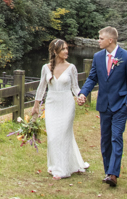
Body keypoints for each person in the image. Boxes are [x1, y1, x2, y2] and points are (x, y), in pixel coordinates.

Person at [77, 26, 127, 187]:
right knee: (105, 141)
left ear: (110, 40)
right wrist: (83, 93)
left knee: (116, 137)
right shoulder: (98, 57)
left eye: (101, 38)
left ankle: (113, 174)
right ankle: (108, 171)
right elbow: (92, 78)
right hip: (104, 104)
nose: (98, 41)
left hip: (120, 105)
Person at [32, 38, 88, 179]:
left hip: (66, 103)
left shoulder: (71, 68)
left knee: (63, 135)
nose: (66, 51)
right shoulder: (46, 68)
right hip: (51, 104)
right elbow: (41, 88)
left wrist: (80, 96)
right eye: (63, 49)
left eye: (67, 48)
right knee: (52, 136)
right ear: (55, 51)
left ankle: (62, 170)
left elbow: (75, 87)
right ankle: (55, 165)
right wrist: (36, 106)